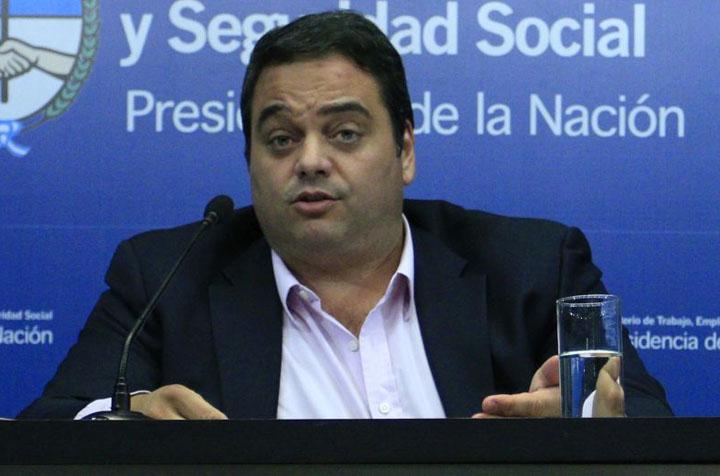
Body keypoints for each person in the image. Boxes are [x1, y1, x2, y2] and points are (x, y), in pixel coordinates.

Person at [19, 11, 671, 420]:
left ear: (405, 150)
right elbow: (49, 427)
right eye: (280, 139)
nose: (309, 160)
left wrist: (595, 424)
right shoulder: (165, 277)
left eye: (345, 133)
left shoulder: (532, 267)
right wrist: (123, 420)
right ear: (248, 160)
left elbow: (649, 420)